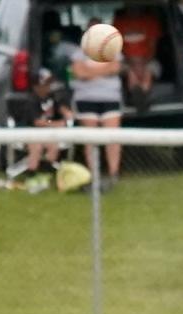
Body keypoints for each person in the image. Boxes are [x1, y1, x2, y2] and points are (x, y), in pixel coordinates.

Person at [71, 20, 124, 191]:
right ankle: (94, 174)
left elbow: (115, 68)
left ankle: (113, 173)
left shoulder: (113, 48)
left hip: (110, 97)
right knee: (91, 139)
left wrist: (91, 72)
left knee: (112, 137)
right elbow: (79, 73)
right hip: (86, 98)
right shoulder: (79, 52)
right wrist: (103, 70)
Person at [19, 68, 74, 179]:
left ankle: (49, 170)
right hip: (33, 132)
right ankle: (31, 172)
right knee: (36, 146)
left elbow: (62, 109)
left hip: (50, 131)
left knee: (53, 144)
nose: (49, 86)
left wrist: (67, 112)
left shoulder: (53, 97)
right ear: (36, 86)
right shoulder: (32, 100)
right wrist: (56, 124)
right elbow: (37, 122)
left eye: (50, 83)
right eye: (46, 83)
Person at [113, 4, 164, 113]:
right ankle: (140, 96)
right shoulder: (119, 22)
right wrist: (132, 63)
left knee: (149, 70)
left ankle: (142, 95)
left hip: (147, 60)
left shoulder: (150, 21)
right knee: (130, 71)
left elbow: (153, 47)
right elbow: (117, 48)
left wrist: (143, 63)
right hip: (126, 61)